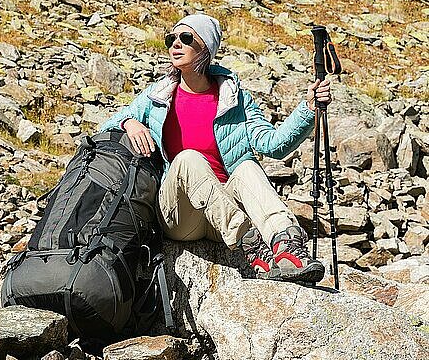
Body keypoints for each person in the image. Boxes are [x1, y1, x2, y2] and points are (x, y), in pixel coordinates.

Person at [99, 14, 332, 283]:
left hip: (225, 206)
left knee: (246, 168)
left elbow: (274, 145)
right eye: (171, 39)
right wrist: (130, 122)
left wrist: (308, 109)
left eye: (186, 38)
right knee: (188, 159)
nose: (175, 44)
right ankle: (252, 247)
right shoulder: (157, 96)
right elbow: (106, 127)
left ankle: (288, 248)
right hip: (181, 216)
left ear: (206, 48)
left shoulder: (234, 97)